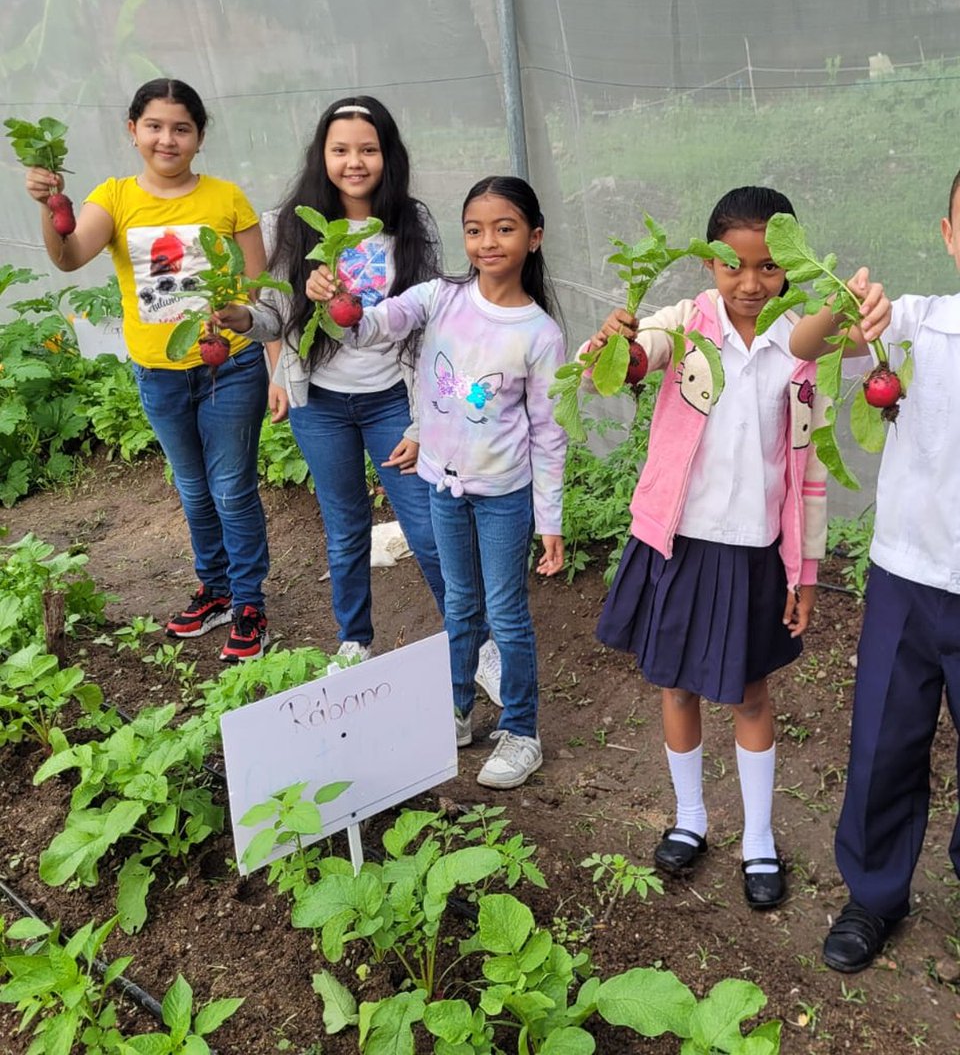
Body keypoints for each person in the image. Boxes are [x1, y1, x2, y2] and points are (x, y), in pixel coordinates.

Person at [591, 186, 832, 909]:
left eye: (767, 268)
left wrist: (806, 571)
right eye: (733, 266)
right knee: (677, 685)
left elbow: (809, 471)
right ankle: (690, 820)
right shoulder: (686, 324)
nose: (750, 284)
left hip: (755, 552)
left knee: (752, 695)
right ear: (709, 260)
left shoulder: (800, 344)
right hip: (679, 543)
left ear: (788, 267)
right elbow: (636, 358)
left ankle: (758, 837)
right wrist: (617, 347)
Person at [213, 97, 500, 695]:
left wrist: (423, 423)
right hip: (321, 404)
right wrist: (240, 316)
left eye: (367, 149)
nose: (354, 162)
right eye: (340, 149)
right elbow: (272, 321)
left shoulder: (409, 223)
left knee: (427, 527)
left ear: (387, 155)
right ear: (323, 155)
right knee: (344, 526)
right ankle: (354, 640)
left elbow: (431, 327)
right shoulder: (290, 225)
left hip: (391, 398)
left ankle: (474, 642)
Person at [303, 174, 567, 788]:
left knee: (505, 611)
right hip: (441, 486)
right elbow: (372, 326)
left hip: (502, 496)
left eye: (504, 229)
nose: (487, 242)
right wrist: (336, 300)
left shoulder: (540, 334)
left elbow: (551, 434)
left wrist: (548, 519)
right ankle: (457, 713)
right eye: (475, 230)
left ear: (534, 238)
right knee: (458, 602)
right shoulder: (440, 297)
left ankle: (522, 730)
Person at [24, 78, 271, 662]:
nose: (168, 139)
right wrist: (47, 209)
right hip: (158, 373)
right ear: (132, 130)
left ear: (200, 137)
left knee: (232, 488)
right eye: (155, 126)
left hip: (229, 366)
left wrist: (260, 343)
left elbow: (260, 297)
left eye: (182, 128)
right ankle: (213, 590)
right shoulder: (112, 198)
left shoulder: (227, 198)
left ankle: (249, 601)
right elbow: (67, 256)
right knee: (192, 488)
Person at [790, 183, 958, 973]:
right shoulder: (919, 323)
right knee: (886, 742)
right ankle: (874, 893)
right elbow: (808, 347)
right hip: (907, 576)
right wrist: (846, 309)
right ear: (950, 234)